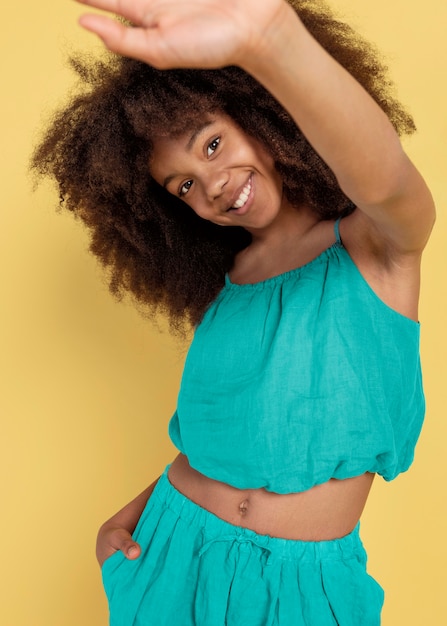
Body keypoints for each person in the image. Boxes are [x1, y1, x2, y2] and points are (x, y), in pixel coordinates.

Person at [32, 0, 435, 624]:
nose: (212, 183)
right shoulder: (226, 291)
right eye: (184, 185)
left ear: (261, 115)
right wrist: (130, 515)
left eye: (213, 143)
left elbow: (385, 179)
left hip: (301, 590)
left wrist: (270, 40)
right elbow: (223, 443)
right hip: (166, 555)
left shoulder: (377, 246)